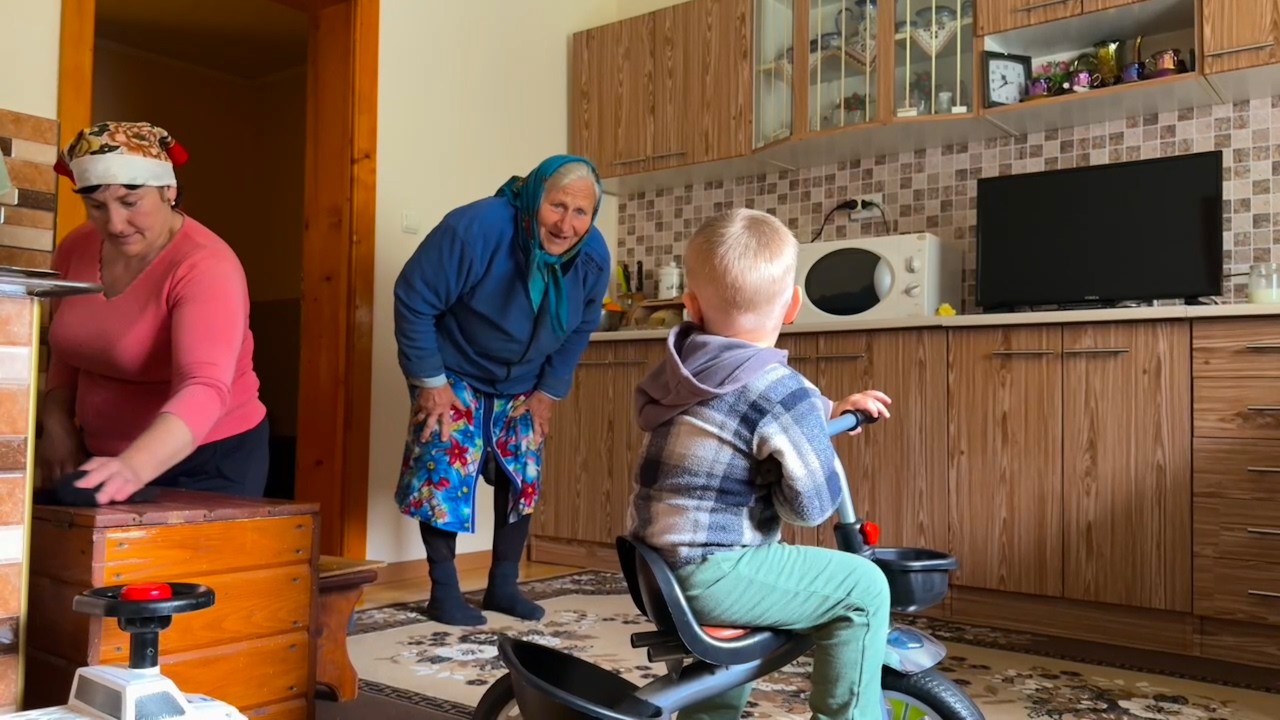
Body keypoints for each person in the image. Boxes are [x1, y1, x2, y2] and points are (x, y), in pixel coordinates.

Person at [628, 208, 894, 720]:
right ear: (793, 304)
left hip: (657, 568)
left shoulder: (686, 370)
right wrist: (812, 444)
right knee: (863, 586)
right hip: (716, 572)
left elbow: (740, 416)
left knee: (726, 671)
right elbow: (810, 509)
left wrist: (828, 412)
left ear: (691, 307)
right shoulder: (777, 391)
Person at [393, 154, 611, 627]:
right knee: (443, 467)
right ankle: (444, 590)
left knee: (522, 472)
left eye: (581, 213)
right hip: (455, 368)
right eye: (557, 206)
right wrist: (431, 384)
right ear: (534, 198)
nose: (566, 224)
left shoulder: (591, 257)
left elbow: (579, 329)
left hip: (526, 380)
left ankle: (503, 586)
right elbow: (414, 298)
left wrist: (548, 392)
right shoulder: (476, 229)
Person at [39, 121, 269, 504]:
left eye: (130, 204)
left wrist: (133, 466)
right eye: (96, 206)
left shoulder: (206, 265)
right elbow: (68, 344)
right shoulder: (75, 247)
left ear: (169, 190)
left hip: (208, 460)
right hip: (106, 457)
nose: (114, 224)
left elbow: (204, 387)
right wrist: (57, 422)